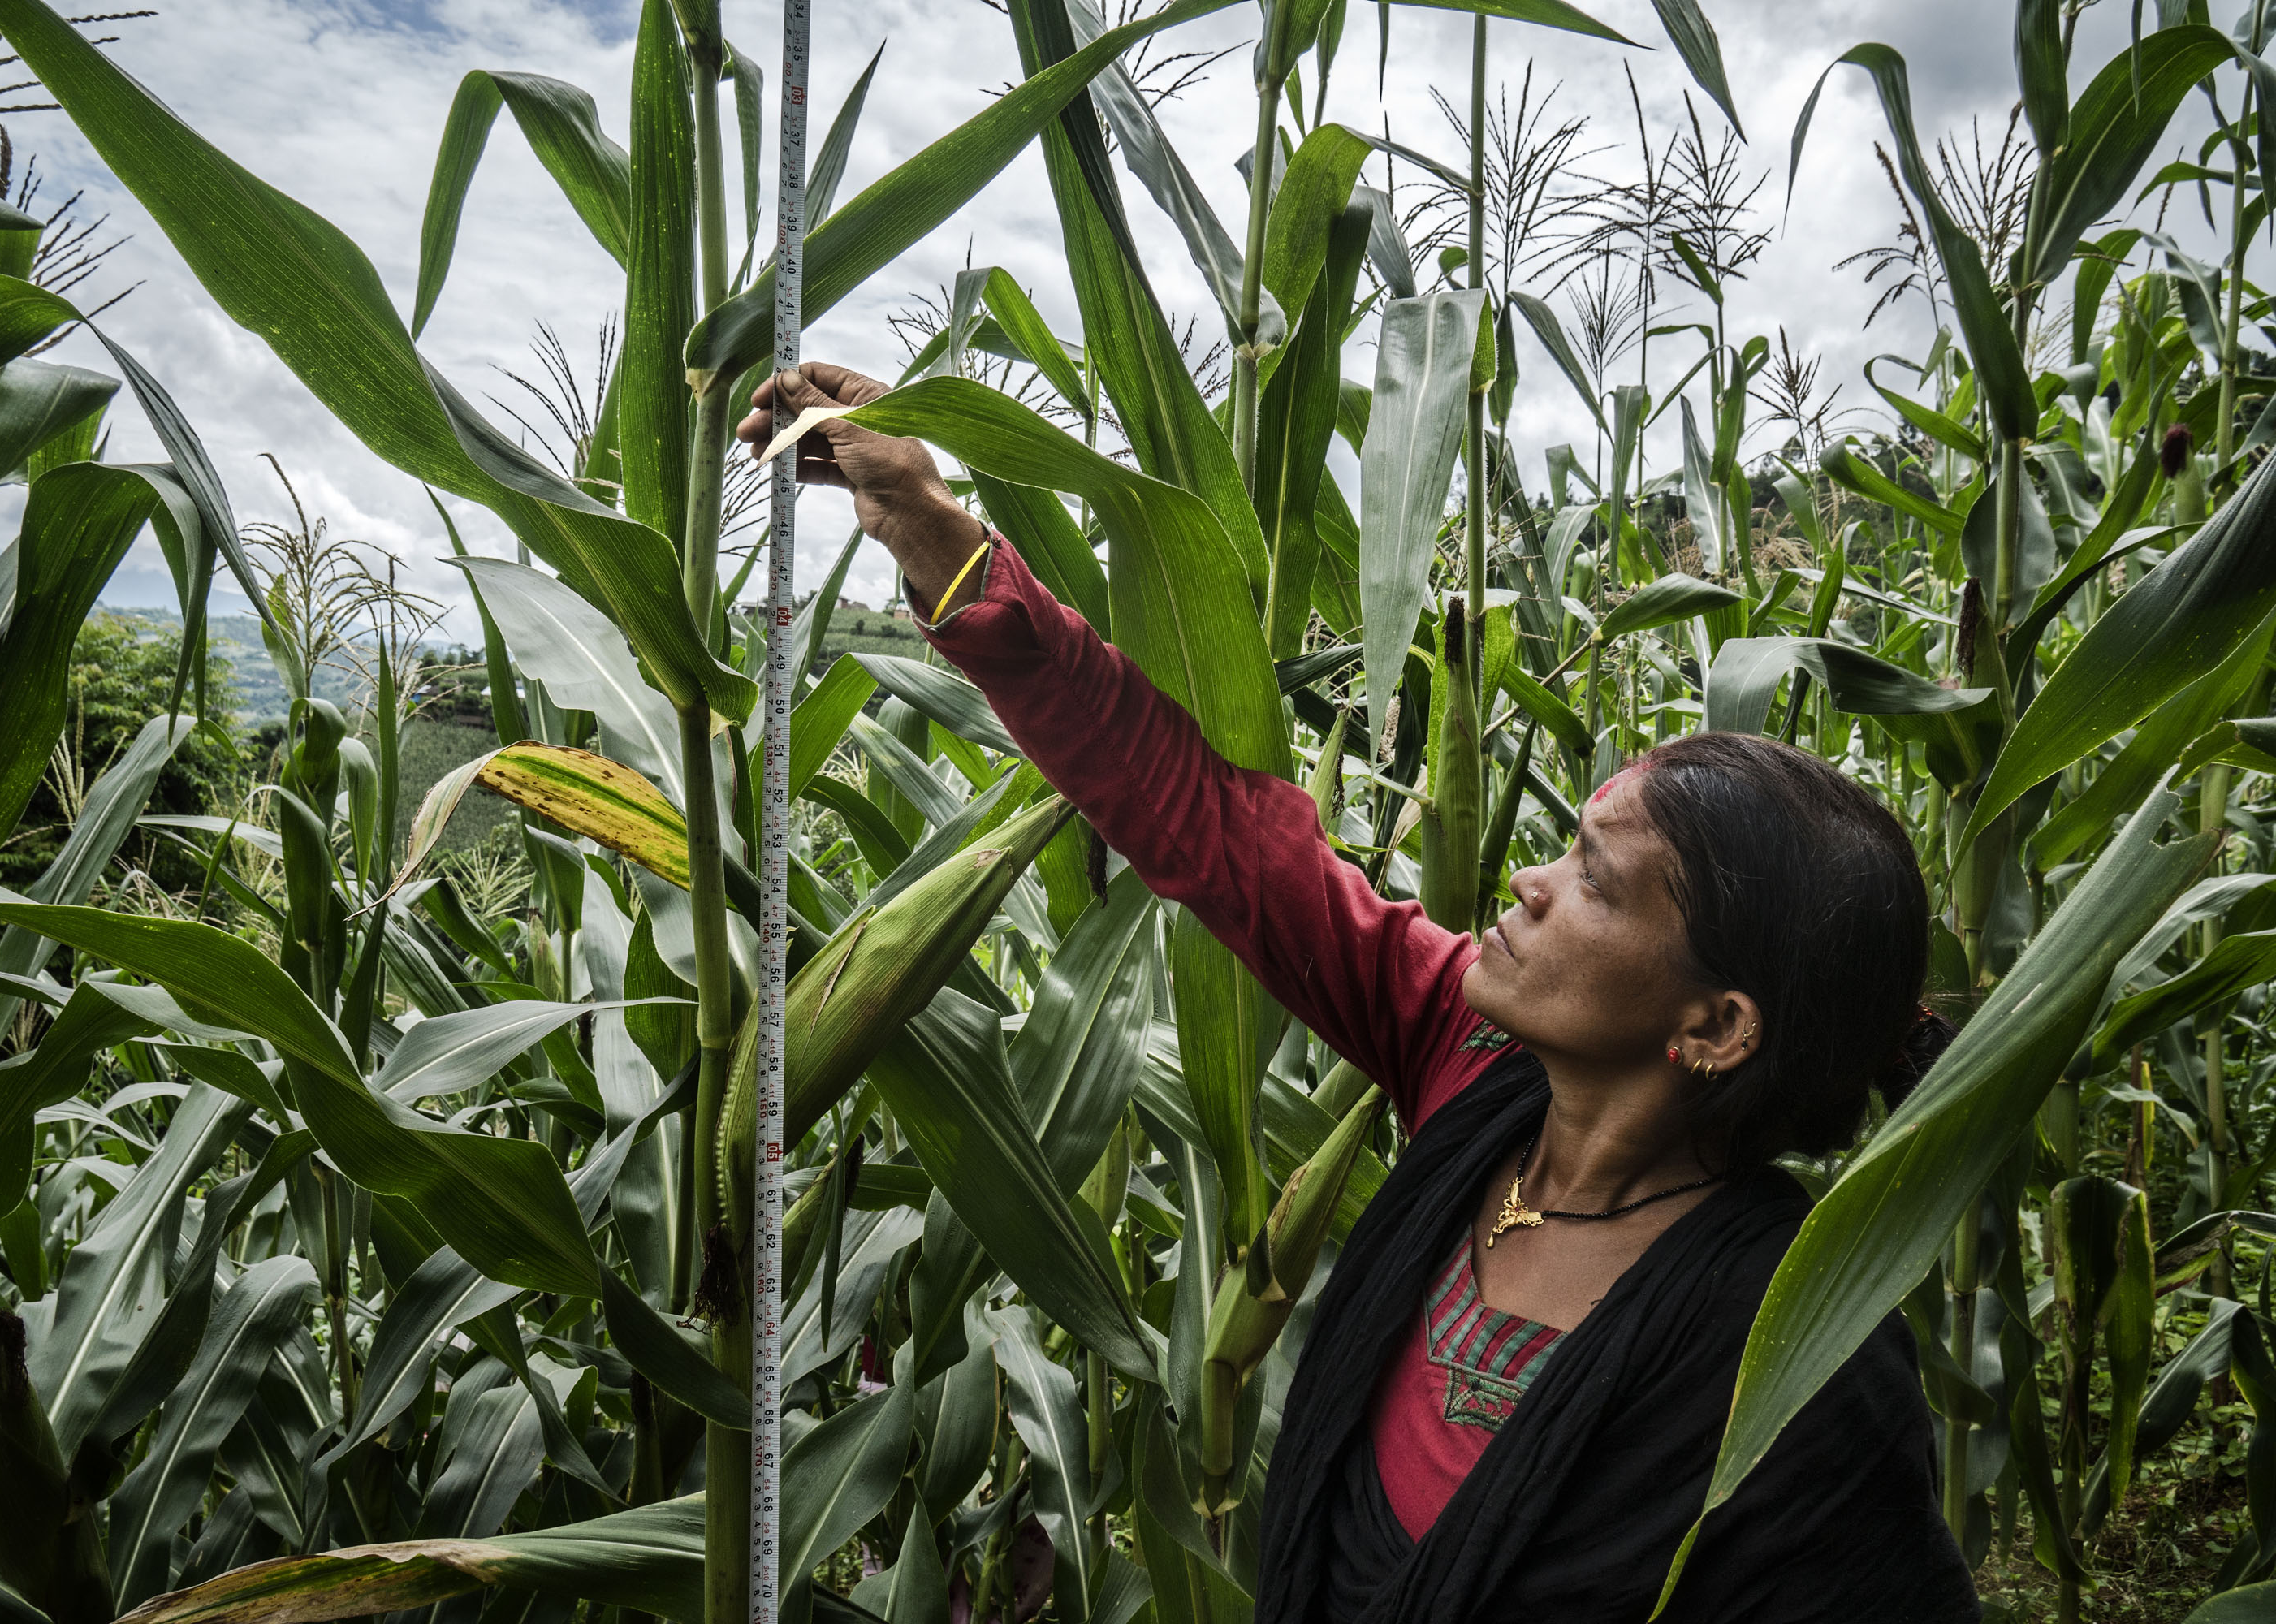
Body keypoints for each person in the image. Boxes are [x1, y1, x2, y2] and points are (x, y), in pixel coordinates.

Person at [743, 365, 1981, 1622]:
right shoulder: (1477, 1074)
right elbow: (1218, 834)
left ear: (1715, 1025)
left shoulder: (1800, 1359)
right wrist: (933, 527)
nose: (1532, 883)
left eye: (1597, 884)